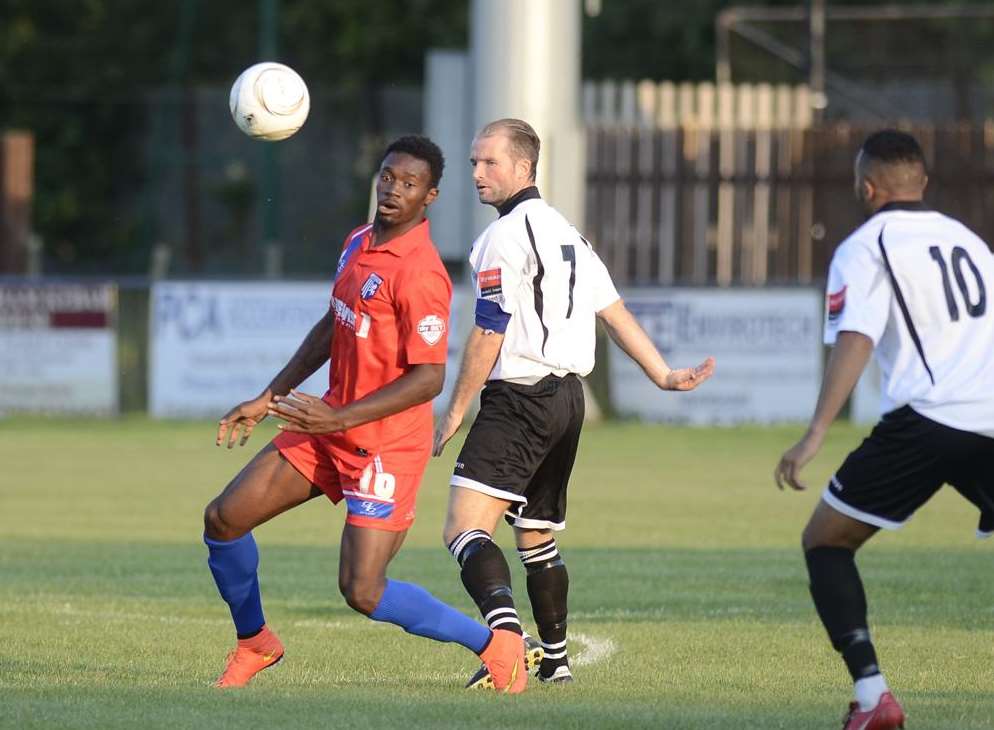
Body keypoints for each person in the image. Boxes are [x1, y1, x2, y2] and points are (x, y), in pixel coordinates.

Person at [202, 135, 524, 693]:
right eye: (387, 176)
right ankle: (255, 642)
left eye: (409, 183)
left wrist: (342, 418)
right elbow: (334, 322)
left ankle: (497, 647)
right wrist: (270, 396)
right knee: (224, 520)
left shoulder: (421, 273)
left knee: (363, 590)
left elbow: (429, 379)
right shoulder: (357, 241)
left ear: (430, 197)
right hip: (327, 425)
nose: (393, 189)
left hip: (384, 446)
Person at [433, 118, 716, 689]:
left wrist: (457, 406)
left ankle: (508, 651)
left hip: (519, 398)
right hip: (568, 400)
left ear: (523, 168)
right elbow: (613, 311)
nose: (477, 174)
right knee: (535, 535)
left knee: (464, 531)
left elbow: (489, 331)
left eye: (489, 162)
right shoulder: (569, 234)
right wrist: (661, 373)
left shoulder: (501, 238)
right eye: (473, 163)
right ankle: (557, 663)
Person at [775, 129, 994, 730]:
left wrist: (816, 432)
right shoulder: (969, 242)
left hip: (929, 421)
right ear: (921, 182)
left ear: (866, 187)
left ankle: (874, 699)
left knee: (825, 541)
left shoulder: (866, 244)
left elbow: (857, 338)